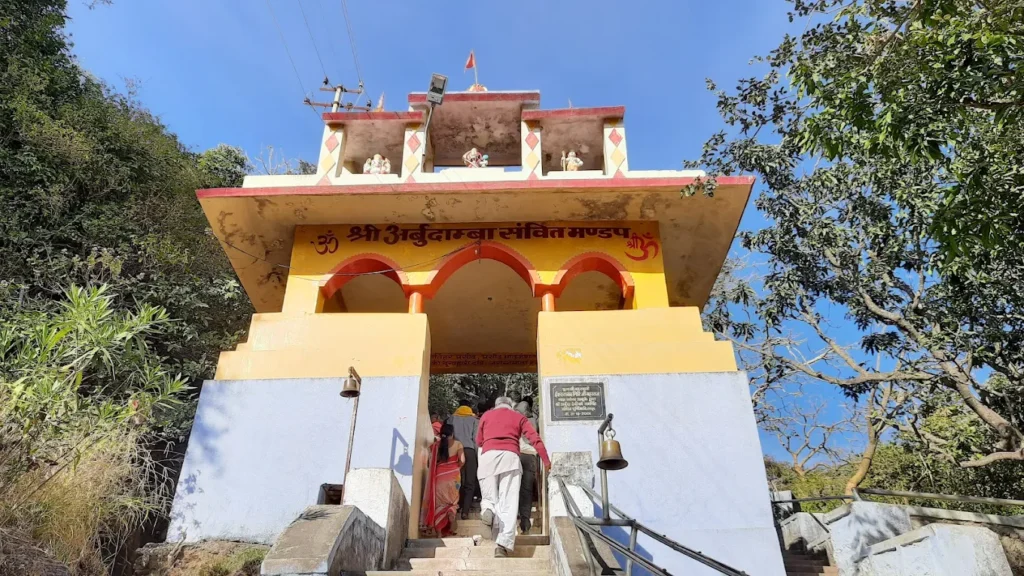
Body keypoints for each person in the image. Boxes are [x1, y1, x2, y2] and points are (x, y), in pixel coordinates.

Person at [476, 396, 550, 557]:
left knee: (489, 496)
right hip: (510, 457)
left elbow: (479, 441)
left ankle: (488, 509)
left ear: (496, 405)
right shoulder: (518, 417)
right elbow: (534, 438)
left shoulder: (486, 416)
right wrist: (546, 461)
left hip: (488, 457)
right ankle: (502, 546)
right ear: (511, 405)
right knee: (508, 501)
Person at [420, 423, 464, 537]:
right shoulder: (458, 444)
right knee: (452, 502)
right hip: (454, 478)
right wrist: (456, 468)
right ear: (452, 433)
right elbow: (462, 460)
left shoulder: (435, 446)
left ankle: (439, 532)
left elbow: (429, 464)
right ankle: (451, 512)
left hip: (439, 478)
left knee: (439, 505)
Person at [446, 399, 479, 520]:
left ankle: (457, 506)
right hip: (470, 451)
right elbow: (476, 440)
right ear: (470, 407)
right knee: (470, 482)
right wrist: (477, 457)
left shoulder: (451, 419)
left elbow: (448, 437)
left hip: (454, 451)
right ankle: (465, 511)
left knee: (457, 480)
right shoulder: (474, 420)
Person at [514, 399, 540, 534]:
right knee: (526, 490)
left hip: (516, 456)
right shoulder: (533, 421)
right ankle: (525, 521)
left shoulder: (514, 421)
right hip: (529, 457)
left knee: (514, 488)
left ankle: (515, 519)